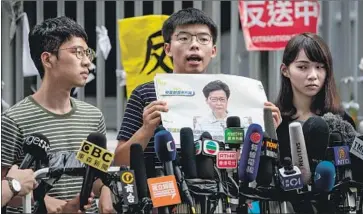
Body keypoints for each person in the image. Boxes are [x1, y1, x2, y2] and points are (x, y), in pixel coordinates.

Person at [114, 8, 281, 166]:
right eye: (184, 38)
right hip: (160, 191)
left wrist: (268, 132)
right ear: (168, 48)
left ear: (213, 50)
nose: (194, 45)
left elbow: (253, 163)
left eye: (203, 39)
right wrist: (146, 129)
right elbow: (119, 161)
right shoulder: (145, 94)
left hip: (222, 193)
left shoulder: (238, 95)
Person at [1, 16, 114, 213]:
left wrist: (105, 190)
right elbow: (6, 189)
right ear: (48, 59)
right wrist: (47, 203)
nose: (87, 62)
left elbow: (97, 177)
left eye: (87, 53)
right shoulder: (13, 120)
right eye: (77, 53)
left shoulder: (93, 117)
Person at [275, 32, 361, 212]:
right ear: (285, 70)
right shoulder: (276, 122)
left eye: (320, 67)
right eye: (303, 67)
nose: (313, 75)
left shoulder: (341, 122)